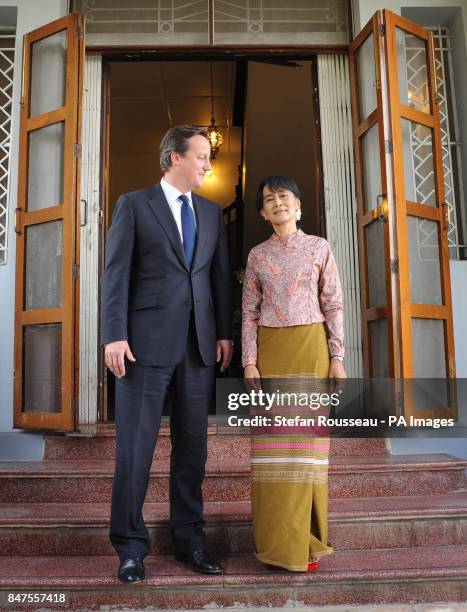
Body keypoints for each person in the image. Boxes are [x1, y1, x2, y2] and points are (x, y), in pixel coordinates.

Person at [101, 125, 233, 583]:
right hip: (143, 347)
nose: (207, 165)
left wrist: (223, 333)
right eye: (201, 157)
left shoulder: (213, 214)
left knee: (192, 450)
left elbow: (218, 279)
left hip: (198, 348)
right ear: (174, 157)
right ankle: (130, 549)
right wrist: (113, 334)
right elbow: (115, 274)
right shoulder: (135, 205)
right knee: (135, 451)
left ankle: (189, 540)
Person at [242, 176, 346, 572]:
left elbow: (333, 303)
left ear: (298, 206)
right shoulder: (256, 256)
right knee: (273, 451)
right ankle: (277, 544)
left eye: (283, 196)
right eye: (269, 200)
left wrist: (338, 356)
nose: (277, 203)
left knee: (307, 450)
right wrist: (250, 361)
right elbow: (249, 312)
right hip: (272, 352)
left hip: (311, 350)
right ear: (263, 214)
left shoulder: (318, 247)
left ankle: (309, 541)